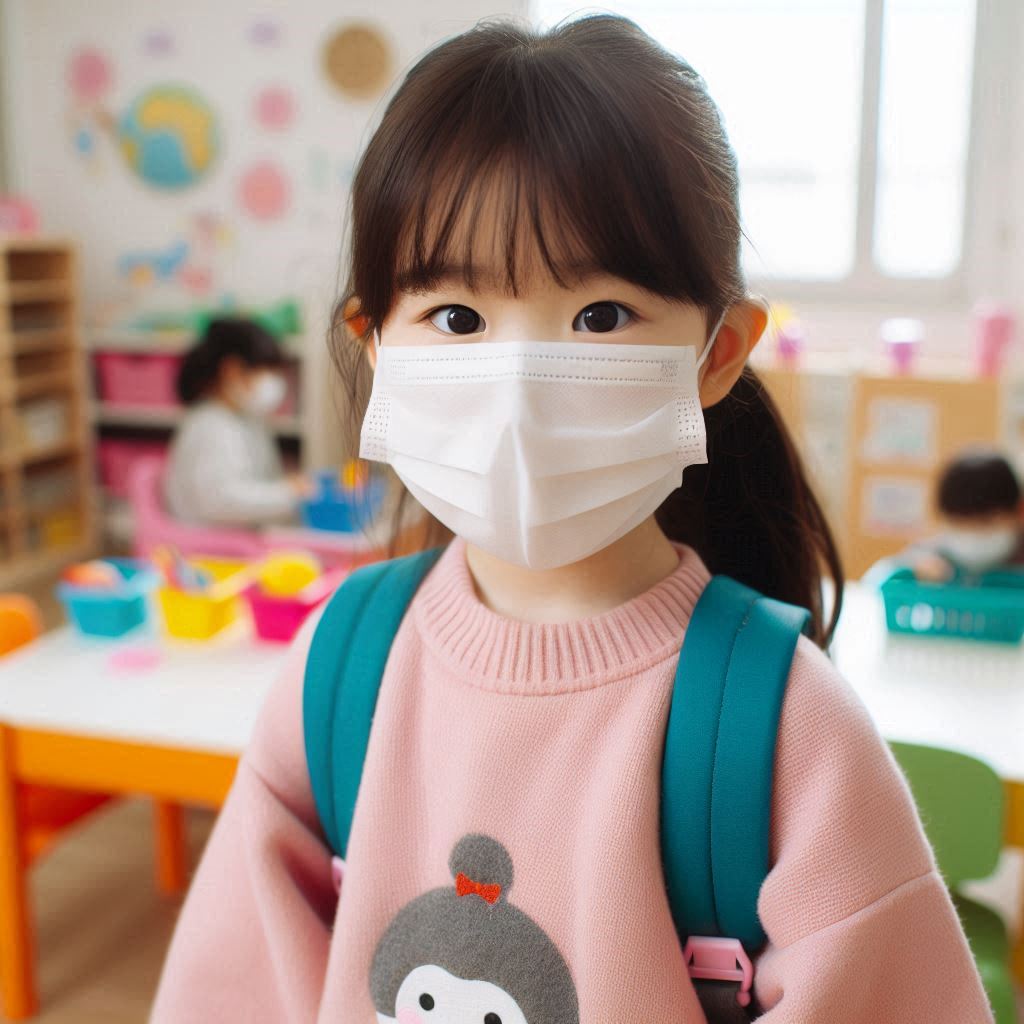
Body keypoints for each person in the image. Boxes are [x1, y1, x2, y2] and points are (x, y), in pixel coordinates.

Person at [151, 17, 992, 1022]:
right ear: (377, 345)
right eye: (456, 317)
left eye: (600, 315)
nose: (518, 385)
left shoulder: (789, 730)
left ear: (719, 352)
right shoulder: (338, 669)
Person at [163, 317, 308, 526]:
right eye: (267, 371)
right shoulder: (210, 425)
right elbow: (220, 502)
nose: (275, 382)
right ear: (232, 370)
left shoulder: (246, 420)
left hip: (235, 534)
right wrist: (288, 493)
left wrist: (288, 490)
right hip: (208, 540)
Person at [906, 450, 1024, 581]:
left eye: (984, 522)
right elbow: (907, 561)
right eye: (958, 523)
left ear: (1019, 511)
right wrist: (920, 564)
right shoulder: (938, 554)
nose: (972, 535)